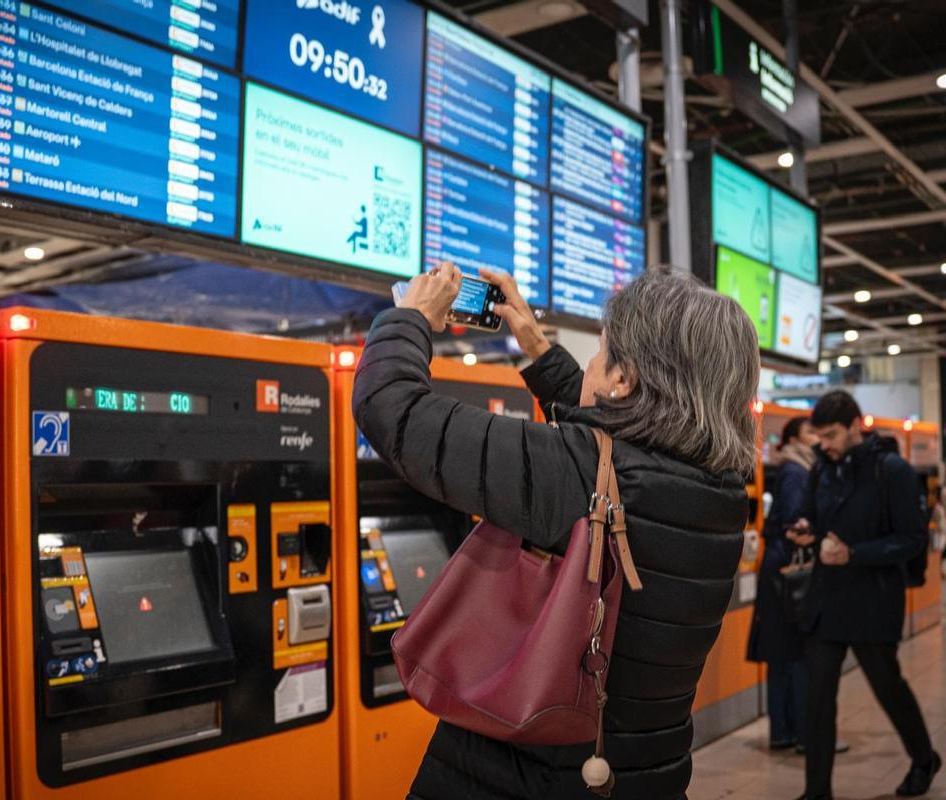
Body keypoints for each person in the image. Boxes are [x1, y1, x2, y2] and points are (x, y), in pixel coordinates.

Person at [353, 263, 760, 799]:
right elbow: (608, 445)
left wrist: (411, 318)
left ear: (623, 379)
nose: (593, 364)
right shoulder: (721, 491)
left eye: (601, 352)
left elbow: (392, 408)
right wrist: (537, 346)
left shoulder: (575, 475)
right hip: (643, 774)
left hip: (523, 775)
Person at [789, 390, 940, 799]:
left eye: (833, 434)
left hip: (872, 600)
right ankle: (816, 791)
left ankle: (924, 758)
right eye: (820, 436)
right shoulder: (823, 468)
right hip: (826, 600)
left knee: (887, 688)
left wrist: (855, 554)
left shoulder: (892, 470)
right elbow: (815, 517)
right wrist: (805, 526)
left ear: (857, 425)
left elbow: (911, 539)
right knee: (818, 699)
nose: (826, 444)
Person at [748, 416, 819, 751]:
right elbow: (794, 521)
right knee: (796, 656)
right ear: (794, 438)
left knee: (782, 656)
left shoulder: (794, 468)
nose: (817, 437)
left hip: (777, 572)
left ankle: (784, 732)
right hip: (788, 575)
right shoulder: (796, 471)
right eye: (811, 431)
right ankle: (803, 734)